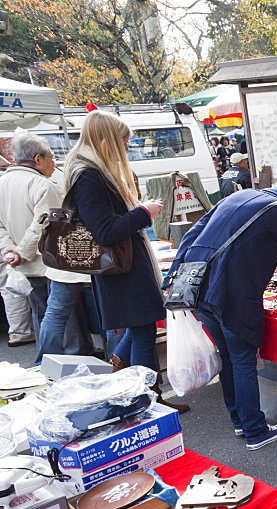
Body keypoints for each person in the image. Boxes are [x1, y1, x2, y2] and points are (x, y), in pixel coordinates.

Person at [166, 168, 277, 449]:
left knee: (229, 358)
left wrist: (171, 277)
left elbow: (192, 234)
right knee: (243, 360)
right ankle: (256, 431)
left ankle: (240, 422)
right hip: (234, 293)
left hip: (197, 287)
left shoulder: (241, 195)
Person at [63, 110, 185, 408]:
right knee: (144, 331)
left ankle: (126, 372)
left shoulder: (88, 169)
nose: (127, 147)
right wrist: (144, 213)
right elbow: (105, 231)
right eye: (124, 141)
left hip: (123, 267)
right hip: (123, 269)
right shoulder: (89, 175)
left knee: (140, 326)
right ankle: (150, 400)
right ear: (108, 140)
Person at [0, 133, 93, 360]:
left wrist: (10, 250)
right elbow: (44, 225)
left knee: (41, 313)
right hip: (49, 262)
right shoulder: (42, 185)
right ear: (38, 158)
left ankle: (48, 359)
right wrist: (21, 252)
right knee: (64, 315)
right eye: (51, 157)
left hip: (23, 262)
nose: (54, 164)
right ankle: (72, 358)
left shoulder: (2, 182)